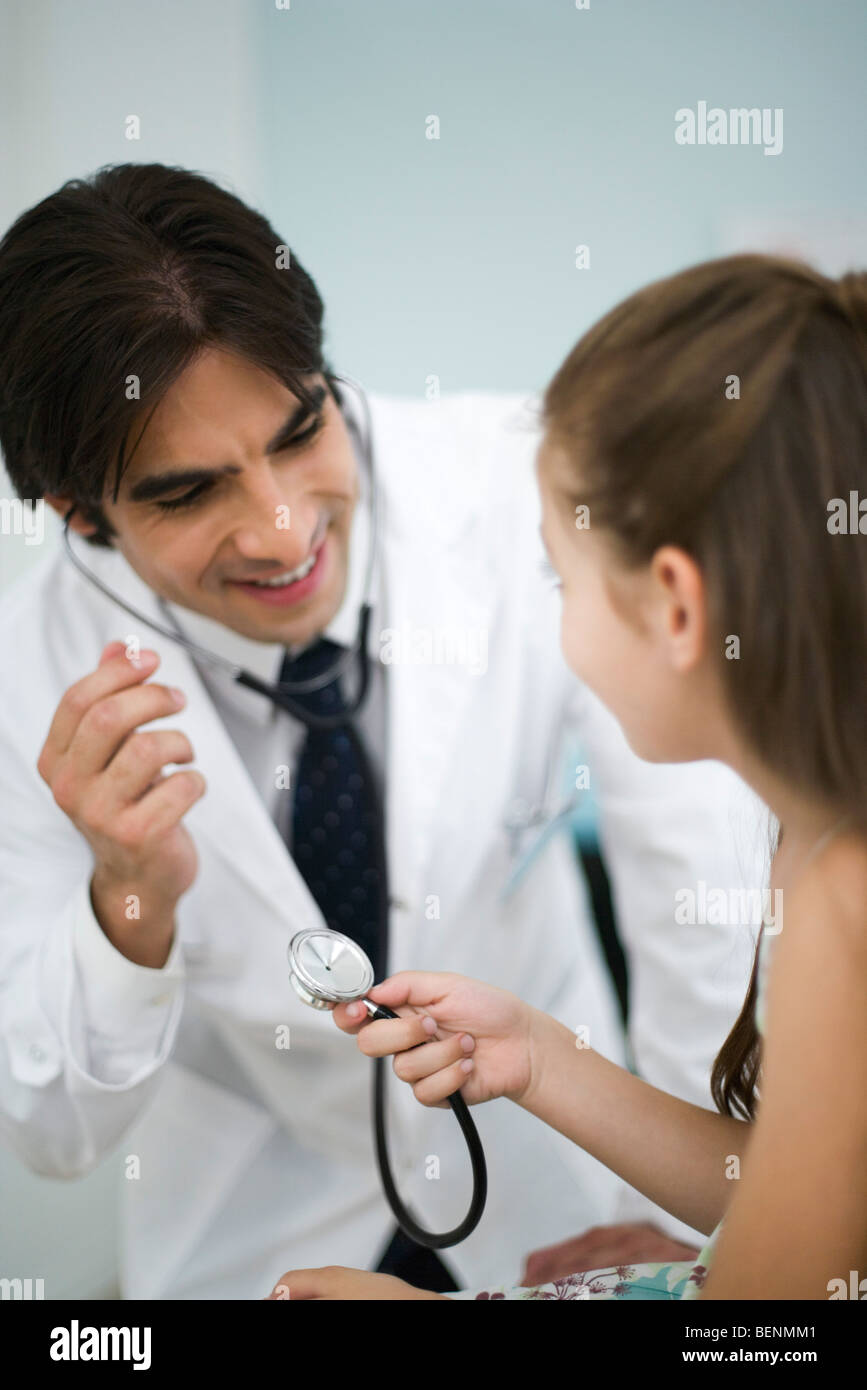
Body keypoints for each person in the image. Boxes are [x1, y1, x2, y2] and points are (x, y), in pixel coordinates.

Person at [0, 164, 762, 1300]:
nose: (283, 528)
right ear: (79, 514)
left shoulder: (524, 481)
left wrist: (700, 1238)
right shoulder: (25, 672)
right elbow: (52, 1125)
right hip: (257, 1227)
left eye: (303, 430)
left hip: (569, 1182)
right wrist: (130, 898)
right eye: (190, 492)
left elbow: (695, 880)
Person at [269, 252, 867, 1300]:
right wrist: (546, 1059)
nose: (552, 616)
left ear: (675, 607)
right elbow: (793, 1190)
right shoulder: (816, 844)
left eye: (561, 575)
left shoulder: (843, 900)